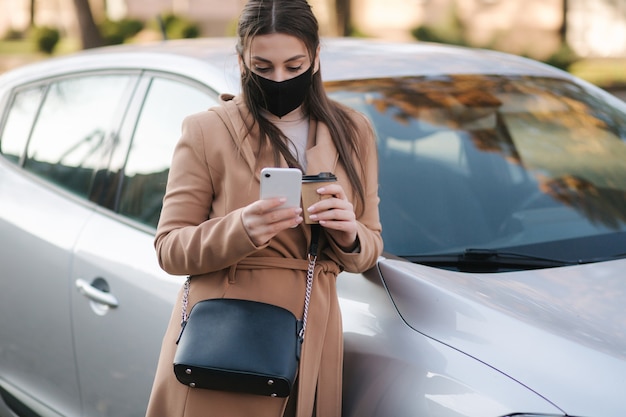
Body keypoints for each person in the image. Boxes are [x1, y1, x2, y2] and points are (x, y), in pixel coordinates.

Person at [144, 0, 383, 416]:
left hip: (313, 334)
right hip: (226, 339)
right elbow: (170, 248)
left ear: (316, 57)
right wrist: (241, 229)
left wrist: (349, 234)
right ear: (241, 61)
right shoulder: (207, 130)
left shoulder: (354, 131)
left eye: (294, 66)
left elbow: (371, 241)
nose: (279, 79)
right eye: (262, 67)